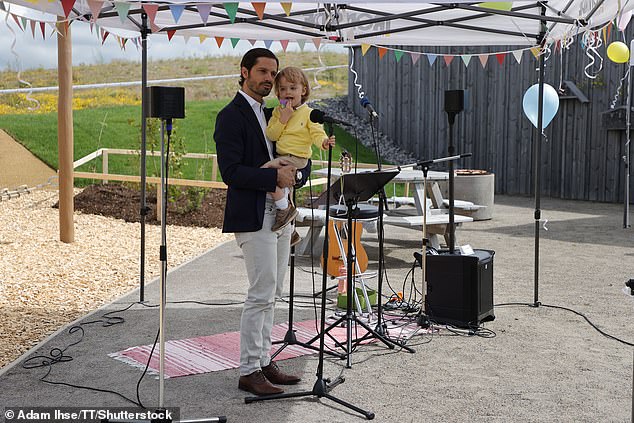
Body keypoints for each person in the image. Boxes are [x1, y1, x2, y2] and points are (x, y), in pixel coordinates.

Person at [214, 48, 302, 396]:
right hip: (253, 215)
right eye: (262, 72)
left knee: (273, 293)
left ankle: (264, 361)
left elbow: (292, 154)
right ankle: (249, 370)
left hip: (282, 215)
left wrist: (298, 172)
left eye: (272, 73)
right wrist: (274, 180)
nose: (269, 79)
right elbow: (230, 173)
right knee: (261, 293)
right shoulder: (230, 116)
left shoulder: (274, 114)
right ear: (245, 72)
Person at [263, 66, 336, 233]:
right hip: (282, 156)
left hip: (297, 158)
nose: (287, 92)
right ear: (278, 93)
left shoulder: (309, 113)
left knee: (264, 174)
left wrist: (323, 142)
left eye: (293, 88)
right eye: (282, 88)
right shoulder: (278, 112)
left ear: (303, 90)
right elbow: (271, 135)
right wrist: (283, 118)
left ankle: (285, 210)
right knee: (283, 188)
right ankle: (291, 230)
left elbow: (317, 132)